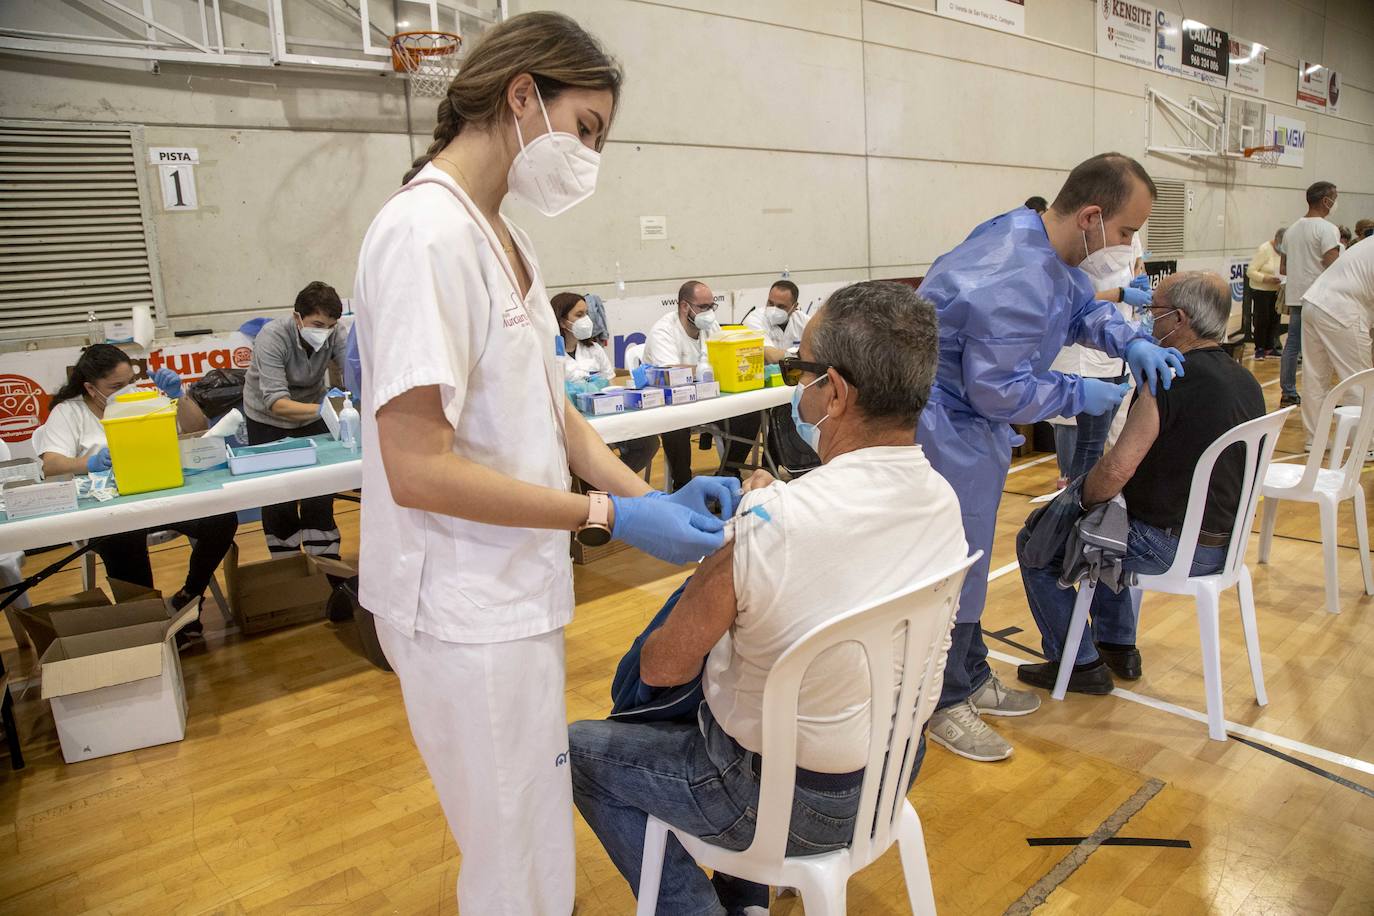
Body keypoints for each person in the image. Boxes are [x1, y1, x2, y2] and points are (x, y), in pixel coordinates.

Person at [351, 14, 741, 914]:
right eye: (587, 129)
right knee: (508, 852)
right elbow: (417, 467)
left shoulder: (505, 237)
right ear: (522, 94)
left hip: (513, 587)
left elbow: (552, 412)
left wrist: (654, 496)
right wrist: (608, 520)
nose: (589, 157)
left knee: (532, 823)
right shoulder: (423, 235)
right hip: (459, 598)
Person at [568, 282, 969, 914]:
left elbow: (662, 667)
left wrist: (751, 527)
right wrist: (770, 506)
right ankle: (746, 894)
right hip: (890, 778)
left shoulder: (775, 520)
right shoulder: (944, 502)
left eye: (800, 371)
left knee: (585, 753)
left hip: (780, 805)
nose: (795, 388)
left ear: (833, 392)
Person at [915, 152, 1184, 763]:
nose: (1127, 244)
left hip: (970, 422)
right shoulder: (1014, 272)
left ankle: (970, 672)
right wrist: (1075, 392)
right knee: (953, 563)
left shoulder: (1040, 241)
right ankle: (942, 699)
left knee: (973, 559)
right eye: (1123, 232)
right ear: (1091, 216)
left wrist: (1133, 339)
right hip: (947, 424)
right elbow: (996, 389)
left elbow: (1083, 307)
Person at [1016, 273, 1265, 693]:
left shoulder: (1166, 379)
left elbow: (1116, 470)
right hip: (1225, 545)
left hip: (1170, 547)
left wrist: (1074, 500)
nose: (1147, 321)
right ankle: (1117, 645)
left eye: (1154, 312)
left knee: (1037, 543)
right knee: (1106, 524)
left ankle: (1077, 663)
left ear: (1179, 319)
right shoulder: (1248, 382)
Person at [33, 344, 237, 636]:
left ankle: (189, 598)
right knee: (123, 540)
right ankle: (151, 624)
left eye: (131, 381)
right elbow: (49, 464)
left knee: (221, 520)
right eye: (117, 386)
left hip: (157, 496)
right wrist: (89, 463)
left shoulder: (144, 400)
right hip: (108, 509)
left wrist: (180, 397)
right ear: (91, 388)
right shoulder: (70, 413)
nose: (128, 390)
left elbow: (197, 431)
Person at [242, 281, 348, 561]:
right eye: (317, 324)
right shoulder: (272, 337)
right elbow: (276, 403)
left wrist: (353, 400)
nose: (323, 332)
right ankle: (286, 562)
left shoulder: (335, 334)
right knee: (279, 497)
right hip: (267, 418)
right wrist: (325, 410)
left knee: (320, 490)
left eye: (330, 325)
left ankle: (326, 561)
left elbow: (353, 369)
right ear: (297, 317)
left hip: (313, 409)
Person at [1047, 231, 1150, 486]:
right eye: (1125, 231)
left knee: (1102, 438)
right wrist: (1121, 294)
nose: (1129, 237)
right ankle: (1075, 508)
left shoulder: (1131, 239)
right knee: (1090, 443)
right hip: (1087, 356)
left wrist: (1139, 282)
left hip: (1116, 353)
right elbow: (1075, 302)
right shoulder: (1081, 245)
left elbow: (1138, 267)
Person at [646, 280, 761, 488]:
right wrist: (705, 369)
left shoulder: (710, 325)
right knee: (675, 422)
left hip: (709, 399)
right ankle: (683, 484)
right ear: (684, 306)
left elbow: (725, 360)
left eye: (712, 306)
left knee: (750, 413)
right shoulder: (663, 331)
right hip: (674, 402)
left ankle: (728, 471)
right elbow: (670, 372)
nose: (709, 313)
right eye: (703, 307)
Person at [552, 291, 658, 474]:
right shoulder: (552, 354)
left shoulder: (593, 349)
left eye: (586, 313)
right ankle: (595, 491)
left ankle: (612, 486)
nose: (586, 319)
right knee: (597, 451)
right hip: (574, 424)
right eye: (579, 315)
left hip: (604, 415)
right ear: (562, 321)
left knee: (648, 443)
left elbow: (610, 382)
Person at [1299, 233, 1374, 445]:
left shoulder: (1367, 244)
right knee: (1359, 380)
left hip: (1314, 303)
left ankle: (1315, 439)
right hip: (1342, 309)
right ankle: (1364, 445)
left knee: (1315, 378)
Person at [1280, 181, 1341, 409]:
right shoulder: (1327, 229)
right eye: (1335, 197)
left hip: (1296, 296)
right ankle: (1319, 398)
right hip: (1320, 298)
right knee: (1320, 350)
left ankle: (1288, 392)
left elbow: (1283, 267)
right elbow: (1334, 265)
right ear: (1326, 200)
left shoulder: (1291, 229)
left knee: (1292, 345)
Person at [742, 279, 808, 364]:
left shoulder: (803, 320)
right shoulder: (754, 320)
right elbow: (771, 357)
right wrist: (802, 355)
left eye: (781, 306)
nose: (774, 310)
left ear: (794, 307)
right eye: (770, 303)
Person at [1248, 227, 1285, 359]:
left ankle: (1270, 347)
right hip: (1261, 290)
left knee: (1274, 319)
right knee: (1262, 320)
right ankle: (1259, 348)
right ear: (1276, 240)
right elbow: (1251, 271)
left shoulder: (1285, 251)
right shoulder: (1264, 249)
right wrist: (1266, 278)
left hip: (1276, 289)